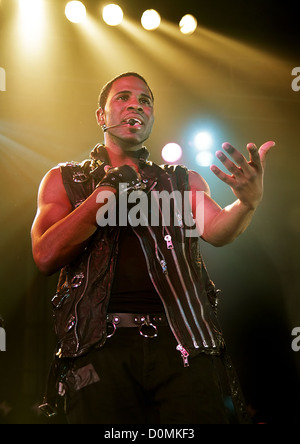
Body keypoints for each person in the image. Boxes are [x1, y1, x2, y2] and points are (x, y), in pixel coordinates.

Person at [31, 72, 275, 424]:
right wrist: (105, 193)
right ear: (102, 116)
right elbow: (45, 255)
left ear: (151, 118)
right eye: (123, 97)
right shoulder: (65, 179)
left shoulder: (181, 180)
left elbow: (218, 230)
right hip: (97, 349)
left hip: (182, 346)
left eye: (145, 100)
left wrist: (247, 204)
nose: (136, 105)